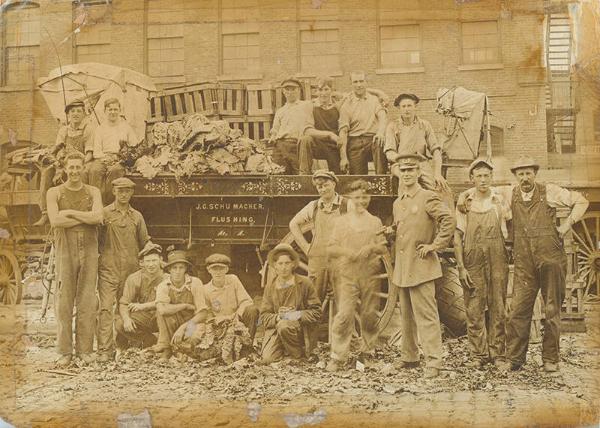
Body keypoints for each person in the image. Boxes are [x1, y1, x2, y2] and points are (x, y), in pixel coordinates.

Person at [459, 155, 589, 372]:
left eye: (529, 173)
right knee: (518, 310)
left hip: (550, 260)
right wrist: (464, 195)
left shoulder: (551, 191)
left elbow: (582, 201)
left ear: (535, 174)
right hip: (525, 262)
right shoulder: (510, 192)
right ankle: (516, 358)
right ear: (515, 176)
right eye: (521, 174)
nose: (525, 177)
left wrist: (566, 226)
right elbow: (483, 188)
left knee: (551, 310)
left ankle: (550, 359)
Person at [390, 152, 455, 378]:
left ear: (418, 173)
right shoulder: (398, 203)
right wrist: (391, 231)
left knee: (426, 316)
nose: (406, 174)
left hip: (422, 266)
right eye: (403, 170)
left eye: (411, 170)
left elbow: (448, 220)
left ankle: (434, 362)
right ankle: (410, 357)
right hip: (403, 267)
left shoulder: (427, 196)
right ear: (398, 173)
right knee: (406, 316)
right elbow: (403, 228)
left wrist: (434, 246)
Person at [46, 151, 103, 367]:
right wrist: (84, 218)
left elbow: (98, 217)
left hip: (89, 248)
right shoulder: (54, 192)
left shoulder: (93, 192)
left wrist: (69, 212)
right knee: (64, 300)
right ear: (65, 169)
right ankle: (64, 352)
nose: (75, 171)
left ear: (83, 169)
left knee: (87, 300)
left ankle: (85, 350)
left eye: (78, 167)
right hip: (65, 249)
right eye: (71, 167)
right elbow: (55, 221)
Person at [453, 159, 511, 370]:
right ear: (472, 179)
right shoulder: (465, 203)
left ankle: (498, 354)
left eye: (487, 175)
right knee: (474, 307)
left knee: (498, 306)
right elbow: (457, 237)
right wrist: (460, 266)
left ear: (491, 177)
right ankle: (478, 354)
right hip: (472, 260)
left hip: (497, 258)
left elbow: (511, 227)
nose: (483, 179)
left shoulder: (500, 200)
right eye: (479, 176)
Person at [325, 179, 388, 372]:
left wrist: (370, 247)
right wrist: (347, 252)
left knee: (369, 316)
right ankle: (338, 356)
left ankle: (367, 353)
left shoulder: (375, 221)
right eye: (357, 197)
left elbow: (383, 247)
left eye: (365, 197)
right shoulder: (341, 222)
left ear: (369, 198)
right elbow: (331, 248)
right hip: (348, 275)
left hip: (369, 274)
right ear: (350, 198)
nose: (361, 201)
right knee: (344, 315)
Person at [97, 177, 150, 362]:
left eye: (127, 190)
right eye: (120, 190)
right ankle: (105, 350)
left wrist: (154, 260)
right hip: (108, 269)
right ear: (113, 192)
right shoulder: (103, 214)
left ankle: (124, 345)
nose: (124, 194)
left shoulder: (137, 217)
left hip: (130, 271)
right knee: (105, 309)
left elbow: (145, 243)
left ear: (132, 193)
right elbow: (95, 242)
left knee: (127, 308)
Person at [289, 170, 348, 303]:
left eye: (326, 185)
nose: (323, 189)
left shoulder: (346, 205)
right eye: (319, 186)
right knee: (313, 300)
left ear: (333, 184)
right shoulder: (313, 206)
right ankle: (312, 324)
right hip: (318, 260)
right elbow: (293, 224)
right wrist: (306, 247)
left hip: (340, 260)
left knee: (344, 300)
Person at [34, 100, 94, 226]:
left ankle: (83, 210)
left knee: (83, 173)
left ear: (84, 114)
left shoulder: (88, 129)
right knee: (47, 172)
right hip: (64, 162)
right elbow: (57, 149)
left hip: (82, 161)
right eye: (72, 111)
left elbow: (89, 153)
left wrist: (81, 164)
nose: (75, 114)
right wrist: (58, 162)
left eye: (79, 111)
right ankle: (45, 213)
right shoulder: (64, 130)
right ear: (68, 114)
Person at [259, 244, 321, 364]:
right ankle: (284, 352)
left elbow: (317, 312)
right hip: (277, 330)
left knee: (285, 326)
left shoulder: (305, 283)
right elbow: (264, 316)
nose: (284, 267)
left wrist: (296, 315)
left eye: (287, 263)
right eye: (280, 264)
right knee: (268, 359)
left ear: (293, 264)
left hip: (300, 332)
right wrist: (278, 317)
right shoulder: (270, 287)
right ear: (275, 266)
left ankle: (298, 355)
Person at [384, 93, 449, 193]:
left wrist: (437, 173)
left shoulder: (424, 125)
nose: (407, 109)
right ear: (399, 108)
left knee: (438, 188)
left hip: (421, 163)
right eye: (403, 106)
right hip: (400, 164)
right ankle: (404, 205)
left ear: (415, 107)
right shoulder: (393, 126)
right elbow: (389, 153)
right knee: (405, 181)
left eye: (409, 106)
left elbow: (436, 150)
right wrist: (403, 160)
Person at [154, 249, 205, 361]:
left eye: (181, 268)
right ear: (169, 270)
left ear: (186, 269)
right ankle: (166, 349)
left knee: (192, 340)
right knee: (161, 311)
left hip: (192, 322)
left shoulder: (195, 283)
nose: (177, 271)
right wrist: (185, 305)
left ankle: (179, 349)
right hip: (173, 322)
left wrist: (183, 327)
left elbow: (202, 313)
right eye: (174, 268)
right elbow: (162, 310)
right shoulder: (163, 285)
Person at [197, 253, 260, 342]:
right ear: (208, 270)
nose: (218, 272)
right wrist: (218, 321)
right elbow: (207, 313)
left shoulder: (233, 280)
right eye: (214, 269)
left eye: (221, 268)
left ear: (226, 269)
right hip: (220, 324)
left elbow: (246, 301)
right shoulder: (205, 289)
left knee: (252, 310)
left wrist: (237, 315)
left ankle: (248, 343)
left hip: (237, 319)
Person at [115, 242, 166, 350]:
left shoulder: (167, 278)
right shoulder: (134, 278)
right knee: (120, 323)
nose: (151, 264)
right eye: (148, 261)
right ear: (141, 263)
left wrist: (145, 306)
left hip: (161, 317)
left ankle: (166, 344)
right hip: (143, 317)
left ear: (161, 260)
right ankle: (149, 339)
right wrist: (127, 319)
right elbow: (124, 303)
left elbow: (168, 303)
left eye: (154, 260)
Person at [87, 98, 138, 203]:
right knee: (94, 170)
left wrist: (122, 157)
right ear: (105, 111)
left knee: (115, 170)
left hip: (120, 159)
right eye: (110, 109)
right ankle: (96, 203)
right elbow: (97, 150)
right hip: (103, 158)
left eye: (115, 109)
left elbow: (134, 146)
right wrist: (105, 158)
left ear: (120, 110)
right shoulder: (100, 129)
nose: (113, 112)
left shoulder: (126, 127)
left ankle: (110, 203)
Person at [338, 71, 387, 174]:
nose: (359, 85)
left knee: (380, 143)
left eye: (361, 81)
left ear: (366, 83)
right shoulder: (346, 104)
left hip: (372, 139)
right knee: (357, 180)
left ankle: (382, 182)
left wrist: (380, 132)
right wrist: (343, 157)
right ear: (351, 84)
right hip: (355, 142)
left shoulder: (374, 100)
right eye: (355, 82)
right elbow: (343, 132)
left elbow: (382, 116)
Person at [268, 77, 313, 174]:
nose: (290, 92)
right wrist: (272, 136)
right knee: (280, 174)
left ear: (299, 90)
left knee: (299, 175)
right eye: (287, 89)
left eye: (293, 89)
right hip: (280, 145)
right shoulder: (280, 111)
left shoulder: (306, 105)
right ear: (283, 92)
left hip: (297, 145)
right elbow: (275, 129)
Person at [299, 76, 342, 175]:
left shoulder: (338, 105)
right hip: (317, 144)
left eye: (326, 89)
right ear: (316, 91)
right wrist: (329, 134)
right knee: (305, 140)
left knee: (337, 176)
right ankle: (304, 175)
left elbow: (356, 92)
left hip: (334, 146)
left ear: (332, 91)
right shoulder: (310, 106)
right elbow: (308, 130)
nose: (323, 93)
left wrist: (382, 95)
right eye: (320, 90)